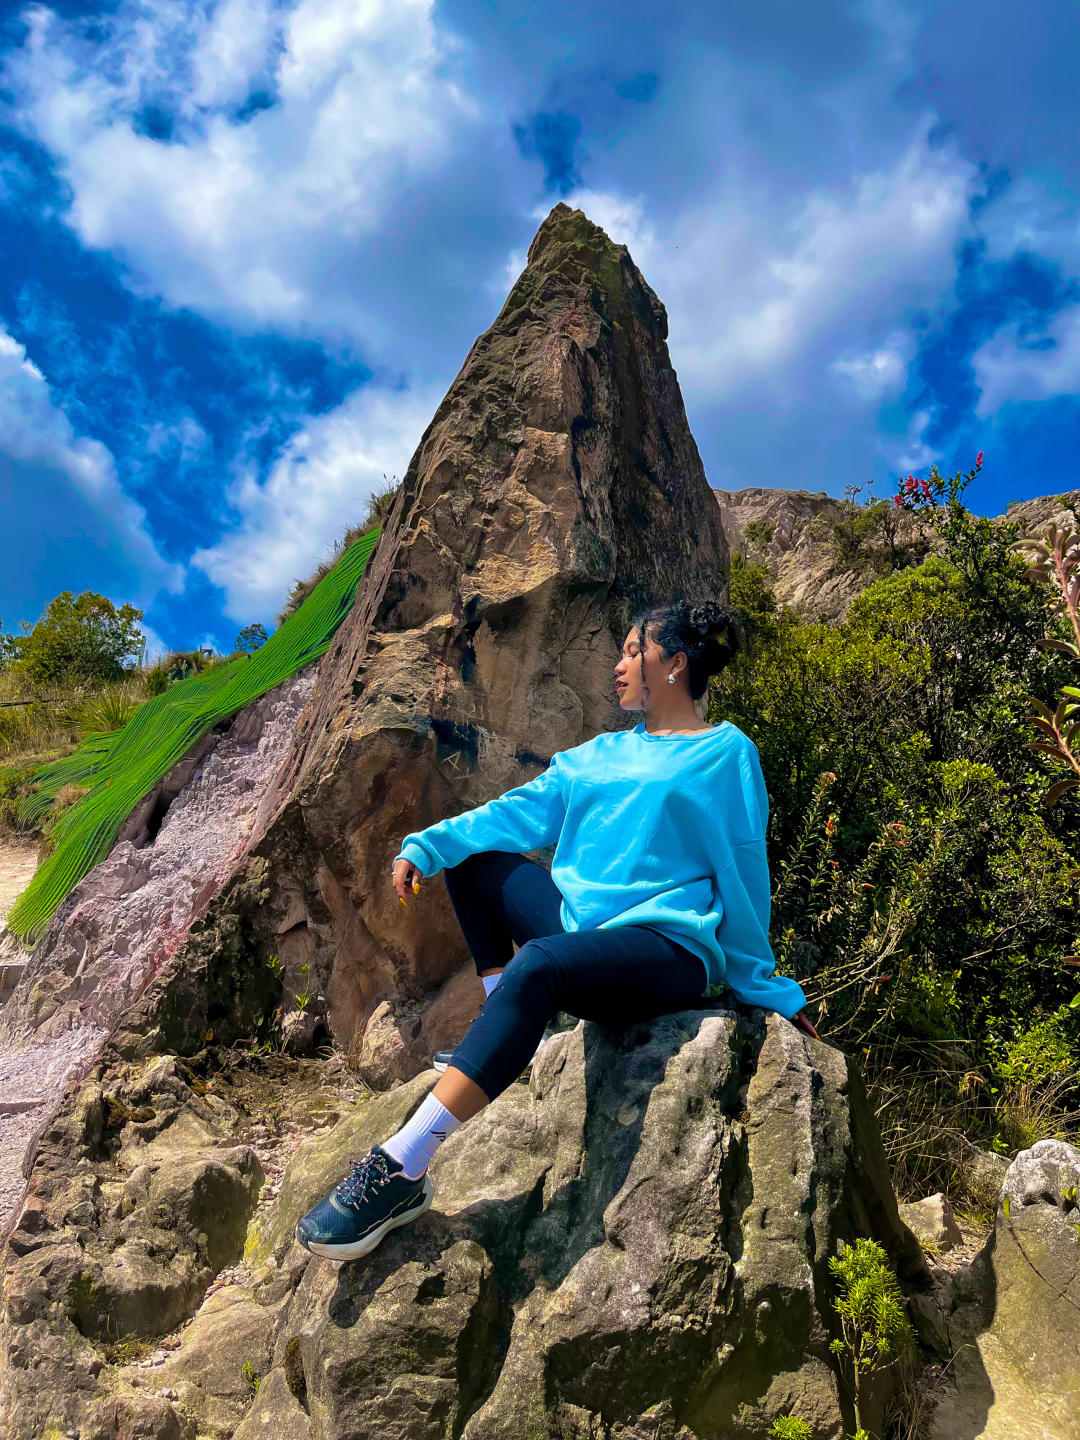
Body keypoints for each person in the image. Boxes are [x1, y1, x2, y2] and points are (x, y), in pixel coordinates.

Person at [294, 598, 819, 1260]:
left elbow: (743, 876)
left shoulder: (724, 753)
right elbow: (510, 814)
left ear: (675, 664)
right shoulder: (597, 755)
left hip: (668, 949)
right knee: (474, 859)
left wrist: (768, 990)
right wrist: (425, 845)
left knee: (539, 962)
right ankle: (511, 1028)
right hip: (582, 935)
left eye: (634, 650)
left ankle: (402, 1167)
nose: (620, 665)